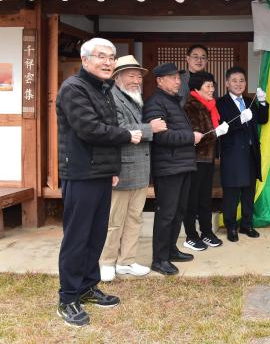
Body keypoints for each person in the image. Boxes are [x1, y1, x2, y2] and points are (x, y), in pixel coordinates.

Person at [56, 38, 142, 327]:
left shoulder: (102, 89)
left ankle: (88, 285)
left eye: (111, 57)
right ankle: (68, 297)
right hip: (80, 173)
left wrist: (113, 168)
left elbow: (108, 130)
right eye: (101, 56)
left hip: (101, 173)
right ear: (85, 60)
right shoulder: (73, 88)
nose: (108, 62)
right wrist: (127, 136)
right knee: (77, 237)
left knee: (95, 235)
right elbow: (90, 130)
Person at [99, 56, 167, 281]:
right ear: (117, 77)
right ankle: (107, 262)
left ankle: (126, 261)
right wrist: (150, 128)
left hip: (139, 168)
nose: (136, 80)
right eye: (131, 75)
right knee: (114, 220)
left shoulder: (135, 98)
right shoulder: (111, 98)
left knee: (134, 218)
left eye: (139, 76)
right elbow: (116, 129)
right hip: (121, 169)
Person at [143, 62, 200, 276]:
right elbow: (161, 136)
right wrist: (191, 137)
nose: (178, 81)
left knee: (179, 211)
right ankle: (159, 259)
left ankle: (170, 249)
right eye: (173, 78)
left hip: (182, 165)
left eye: (178, 77)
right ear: (160, 81)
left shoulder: (173, 102)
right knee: (166, 213)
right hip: (168, 167)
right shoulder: (155, 103)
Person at [217, 66, 268, 242]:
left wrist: (262, 102)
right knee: (231, 192)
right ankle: (231, 226)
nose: (238, 84)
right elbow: (222, 128)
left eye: (242, 81)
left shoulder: (249, 101)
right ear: (226, 83)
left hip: (251, 153)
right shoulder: (220, 103)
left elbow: (263, 119)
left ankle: (247, 224)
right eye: (234, 80)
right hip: (232, 153)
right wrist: (240, 119)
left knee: (248, 191)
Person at [182, 71, 228, 251]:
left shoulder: (209, 105)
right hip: (194, 160)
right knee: (192, 200)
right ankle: (191, 235)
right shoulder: (191, 107)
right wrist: (217, 133)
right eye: (208, 86)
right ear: (196, 89)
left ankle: (207, 232)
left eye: (212, 86)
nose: (212, 89)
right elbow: (196, 137)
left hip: (207, 160)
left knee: (205, 199)